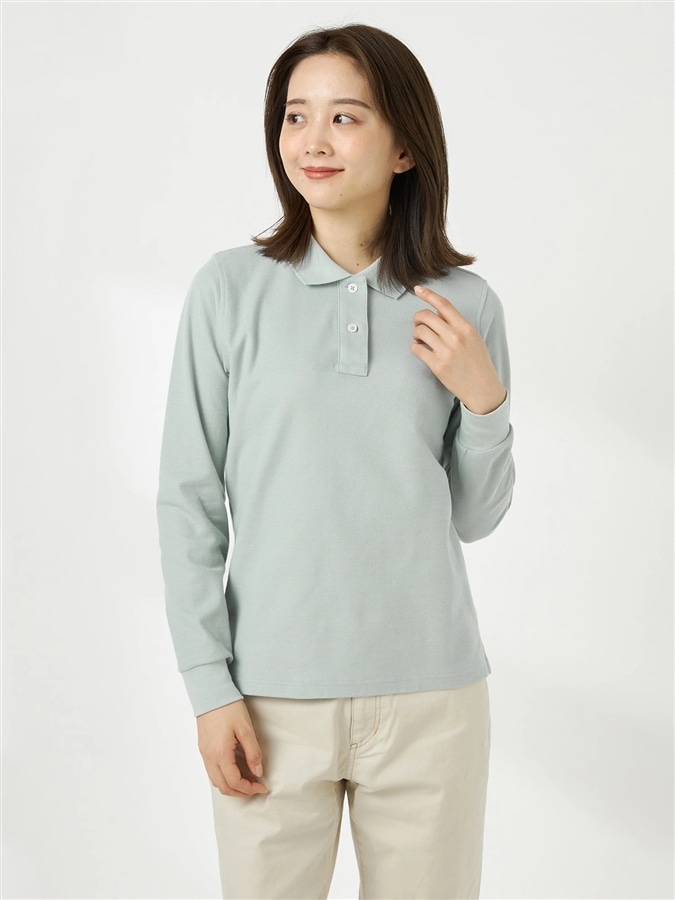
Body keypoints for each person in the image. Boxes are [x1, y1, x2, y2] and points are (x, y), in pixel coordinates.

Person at [156, 22, 515, 900]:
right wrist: (210, 688)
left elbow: (474, 517)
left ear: (404, 147)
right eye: (295, 116)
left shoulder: (464, 304)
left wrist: (484, 403)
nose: (312, 141)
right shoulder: (228, 290)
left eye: (345, 117)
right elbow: (187, 500)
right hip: (269, 699)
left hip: (431, 701)